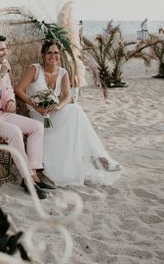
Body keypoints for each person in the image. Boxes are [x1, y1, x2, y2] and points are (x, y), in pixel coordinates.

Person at [14, 40, 122, 187]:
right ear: (43, 55)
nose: (53, 56)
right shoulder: (35, 69)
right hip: (38, 115)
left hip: (54, 113)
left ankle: (97, 156)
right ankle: (96, 157)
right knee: (75, 112)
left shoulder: (63, 73)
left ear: (60, 55)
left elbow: (67, 97)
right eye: (50, 53)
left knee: (74, 109)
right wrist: (35, 106)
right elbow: (18, 90)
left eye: (56, 53)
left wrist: (58, 107)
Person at [0, 34, 54, 199]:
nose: (6, 52)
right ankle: (28, 180)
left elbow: (8, 88)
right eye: (2, 49)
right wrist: (1, 74)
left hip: (1, 113)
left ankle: (33, 175)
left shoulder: (0, 67)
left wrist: (11, 100)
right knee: (14, 132)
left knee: (37, 127)